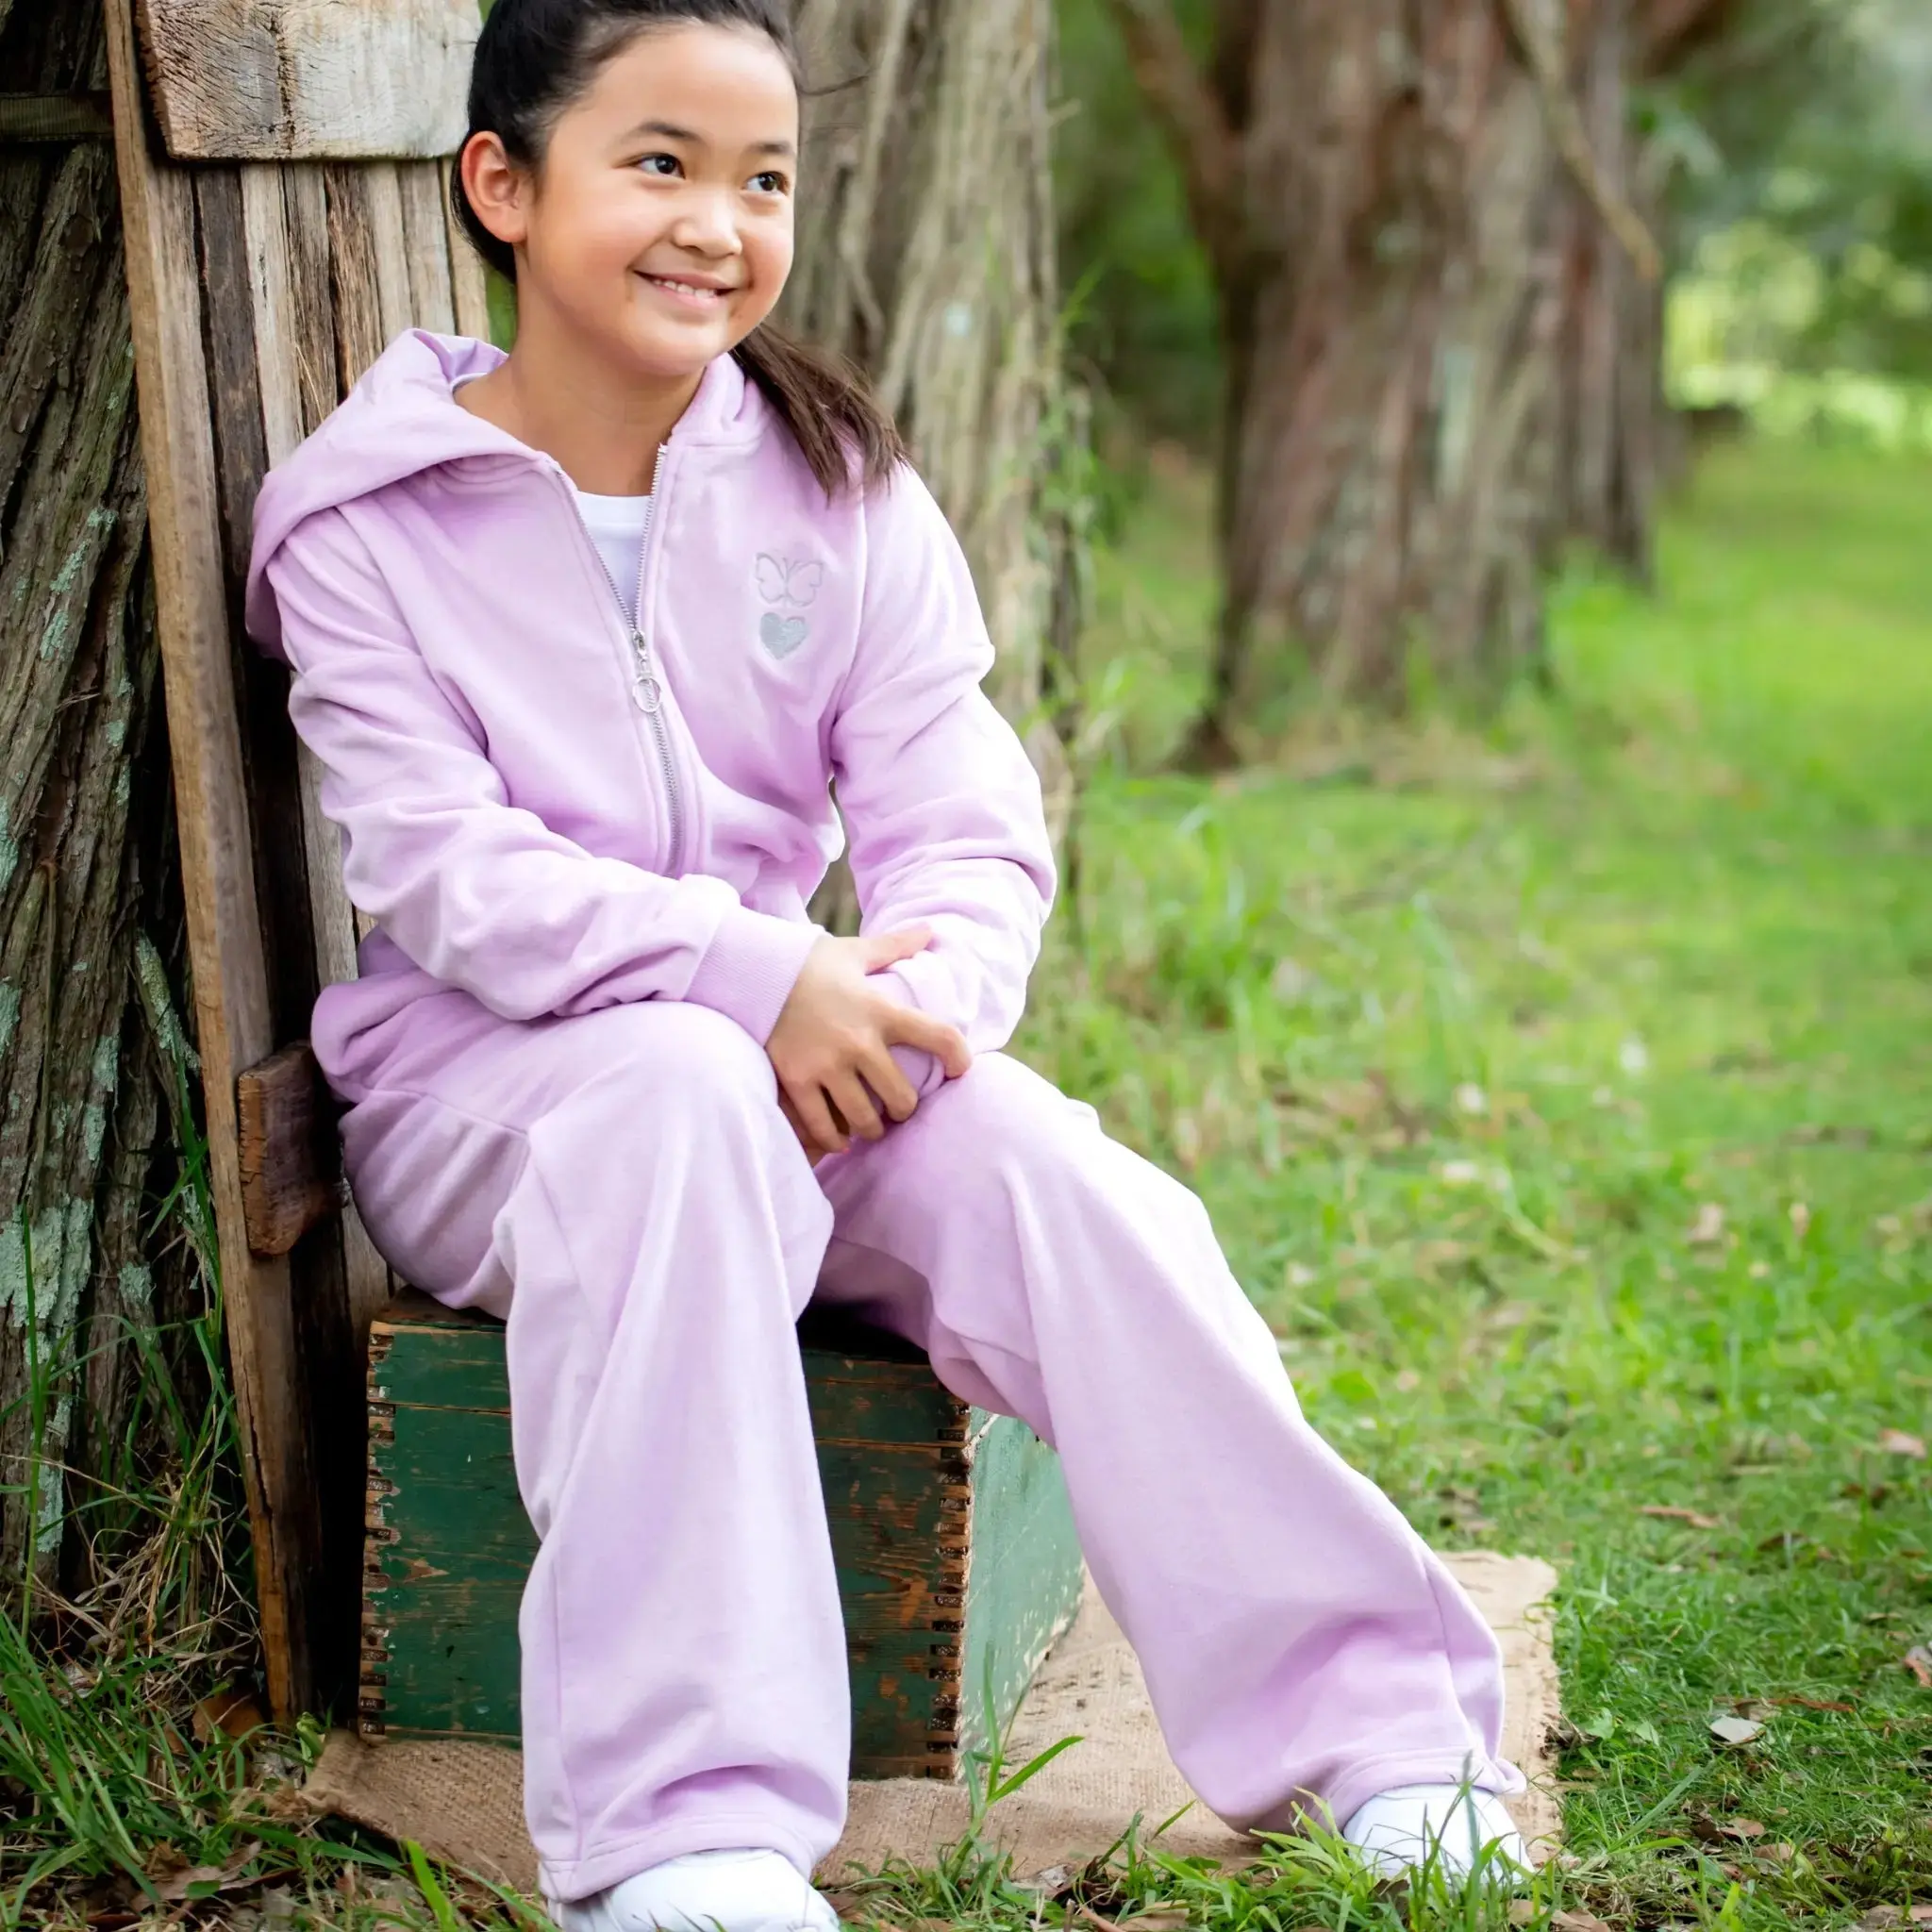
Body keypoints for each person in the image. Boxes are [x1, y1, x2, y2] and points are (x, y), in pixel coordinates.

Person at [245, 3, 1526, 1926]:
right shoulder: (367, 520)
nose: (717, 223)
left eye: (762, 179)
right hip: (490, 1098)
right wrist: (755, 977)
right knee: (676, 1098)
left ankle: (1383, 1735)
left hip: (812, 1065)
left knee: (1063, 1184)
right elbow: (445, 872)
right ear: (502, 184)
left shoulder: (834, 486)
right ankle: (684, 1836)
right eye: (659, 163)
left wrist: (913, 1019)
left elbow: (963, 820)